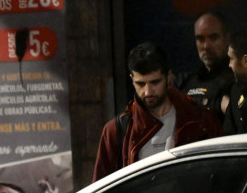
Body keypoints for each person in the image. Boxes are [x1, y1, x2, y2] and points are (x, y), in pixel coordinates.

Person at [93, 42, 221, 181]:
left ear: (169, 77)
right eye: (140, 84)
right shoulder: (116, 131)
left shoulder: (200, 120)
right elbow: (100, 190)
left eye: (155, 82)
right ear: (132, 80)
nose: (148, 92)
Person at [177, 11, 233, 123]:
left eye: (213, 38)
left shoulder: (238, 80)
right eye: (200, 39)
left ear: (227, 38)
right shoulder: (188, 82)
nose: (206, 46)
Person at [223, 30, 247, 135]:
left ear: (245, 60)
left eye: (231, 59)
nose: (229, 65)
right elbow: (228, 134)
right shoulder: (235, 91)